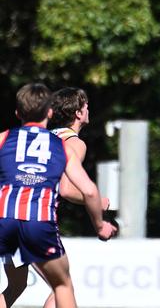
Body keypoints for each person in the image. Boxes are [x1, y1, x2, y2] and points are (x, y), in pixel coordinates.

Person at [0, 83, 116, 308]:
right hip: (36, 222)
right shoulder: (69, 144)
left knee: (16, 286)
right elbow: (72, 189)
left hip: (5, 220)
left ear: (17, 113)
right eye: (87, 107)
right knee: (62, 286)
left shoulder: (6, 137)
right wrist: (99, 215)